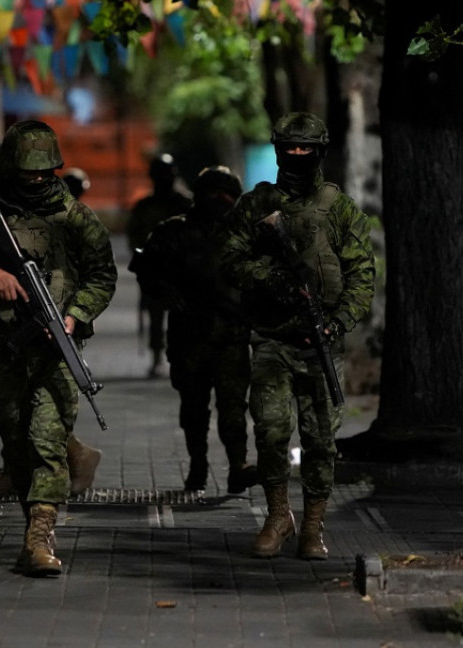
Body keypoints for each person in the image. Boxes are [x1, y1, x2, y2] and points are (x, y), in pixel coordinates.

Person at [0, 120, 117, 577]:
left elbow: (103, 275)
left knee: (46, 441)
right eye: (27, 172)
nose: (36, 181)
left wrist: (76, 313)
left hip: (57, 352)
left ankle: (40, 537)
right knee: (16, 441)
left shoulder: (76, 218)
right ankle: (32, 526)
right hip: (6, 349)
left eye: (44, 173)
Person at [220, 112, 375, 560]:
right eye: (292, 149)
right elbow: (229, 260)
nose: (299, 156)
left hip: (321, 342)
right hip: (271, 340)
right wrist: (270, 277)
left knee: (321, 439)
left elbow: (361, 275)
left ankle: (313, 526)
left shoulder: (338, 207)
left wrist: (338, 321)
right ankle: (277, 515)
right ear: (279, 151)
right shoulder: (255, 206)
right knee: (270, 431)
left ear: (320, 152)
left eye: (308, 149)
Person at [0, 149, 103, 500]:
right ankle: (20, 469)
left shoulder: (67, 213)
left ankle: (56, 483)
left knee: (46, 421)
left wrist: (74, 314)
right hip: (8, 333)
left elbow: (100, 273)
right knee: (13, 418)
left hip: (56, 328)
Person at [132, 166, 258, 494]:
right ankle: (198, 465)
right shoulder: (173, 231)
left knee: (233, 406)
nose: (220, 200)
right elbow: (145, 271)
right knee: (194, 408)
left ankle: (237, 466)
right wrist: (167, 294)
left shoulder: (246, 234)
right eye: (214, 193)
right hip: (189, 336)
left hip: (231, 336)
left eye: (225, 194)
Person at [126, 153, 192, 378]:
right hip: (156, 269)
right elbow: (134, 236)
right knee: (156, 317)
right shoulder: (146, 206)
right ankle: (157, 358)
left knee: (183, 316)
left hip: (181, 269)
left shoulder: (185, 204)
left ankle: (180, 358)